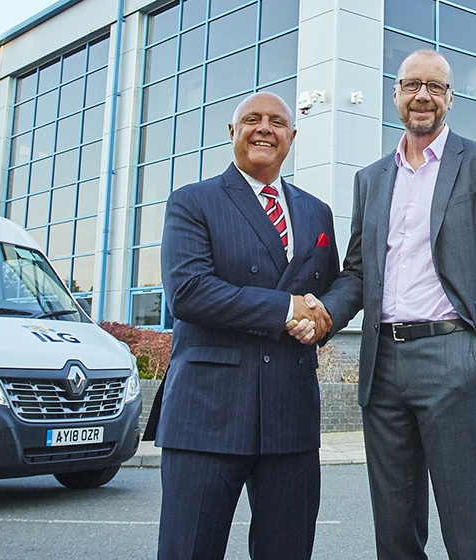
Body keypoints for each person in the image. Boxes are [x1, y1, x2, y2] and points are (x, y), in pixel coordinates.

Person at [315, 49, 476, 559]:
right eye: (413, 85)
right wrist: (323, 315)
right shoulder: (370, 180)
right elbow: (357, 271)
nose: (423, 96)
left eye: (435, 87)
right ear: (395, 94)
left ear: (450, 99)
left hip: (455, 358)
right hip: (383, 366)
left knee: (469, 525)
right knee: (394, 531)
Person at [155, 91, 340, 559]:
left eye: (277, 122)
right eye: (252, 120)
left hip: (290, 414)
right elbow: (189, 291)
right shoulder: (192, 202)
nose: (265, 128)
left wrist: (321, 321)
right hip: (207, 413)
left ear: (291, 137)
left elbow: (330, 292)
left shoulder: (317, 212)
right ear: (232, 133)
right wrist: (286, 311)